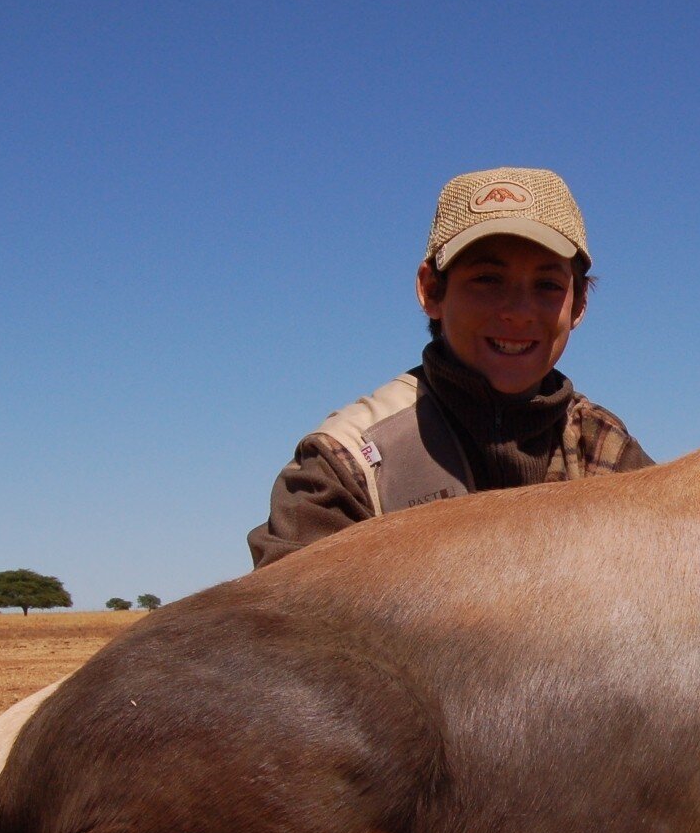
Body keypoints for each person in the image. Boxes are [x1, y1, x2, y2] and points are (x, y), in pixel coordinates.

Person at [249, 166, 652, 569]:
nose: (517, 311)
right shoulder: (347, 463)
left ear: (578, 304)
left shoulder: (606, 451)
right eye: (488, 279)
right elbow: (275, 620)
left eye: (547, 285)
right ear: (432, 291)